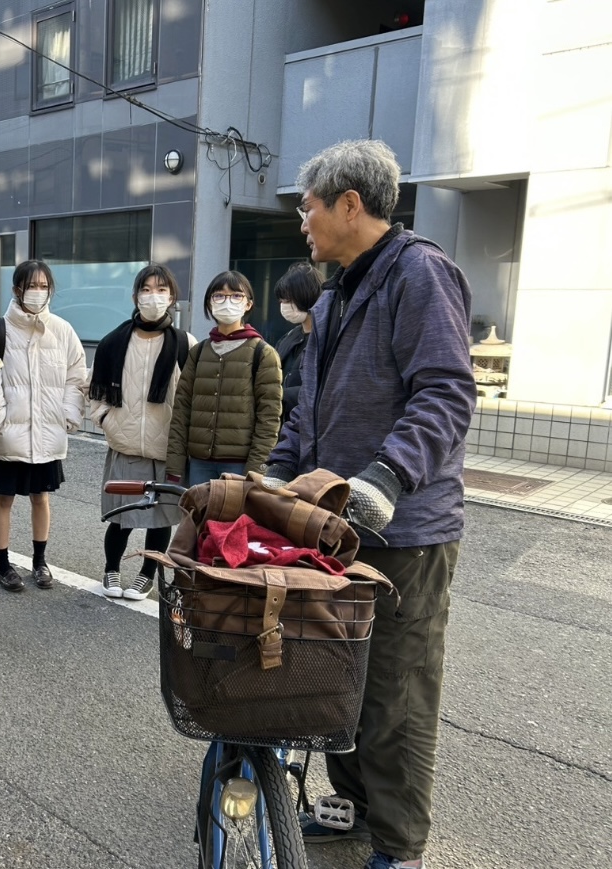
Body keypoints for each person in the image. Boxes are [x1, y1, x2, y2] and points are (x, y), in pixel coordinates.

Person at [263, 139, 475, 869]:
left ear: (350, 204)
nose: (303, 221)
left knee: (394, 695)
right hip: (336, 525)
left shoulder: (419, 273)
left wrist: (388, 475)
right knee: (337, 678)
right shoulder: (337, 293)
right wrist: (275, 477)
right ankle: (350, 809)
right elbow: (310, 413)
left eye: (309, 207)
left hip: (404, 532)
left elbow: (446, 391)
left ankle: (399, 849)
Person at [0, 260, 87, 592]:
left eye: (44, 286)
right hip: (10, 433)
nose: (38, 292)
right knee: (4, 498)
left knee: (41, 497)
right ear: (16, 289)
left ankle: (40, 561)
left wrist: (68, 415)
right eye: (31, 286)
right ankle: (2, 563)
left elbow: (76, 376)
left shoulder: (62, 330)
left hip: (48, 433)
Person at [91, 264, 196, 601]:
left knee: (161, 518)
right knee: (120, 517)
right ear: (135, 296)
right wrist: (106, 419)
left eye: (162, 290)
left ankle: (146, 575)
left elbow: (193, 396)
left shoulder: (185, 343)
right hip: (125, 444)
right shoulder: (114, 341)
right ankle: (111, 569)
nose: (154, 297)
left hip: (166, 447)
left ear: (172, 297)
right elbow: (94, 390)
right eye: (147, 290)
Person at [165, 270, 282, 487]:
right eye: (219, 296)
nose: (227, 302)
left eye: (236, 296)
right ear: (210, 304)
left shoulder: (263, 353)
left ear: (248, 304)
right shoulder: (199, 352)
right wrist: (175, 466)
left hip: (239, 465)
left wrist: (255, 470)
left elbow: (269, 419)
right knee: (197, 510)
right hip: (199, 462)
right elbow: (181, 410)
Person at [272, 261, 324, 424]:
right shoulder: (289, 337)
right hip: (281, 424)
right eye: (282, 300)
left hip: (309, 424)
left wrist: (278, 395)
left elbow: (324, 389)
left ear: (307, 296)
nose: (284, 306)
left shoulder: (329, 337)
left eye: (289, 299)